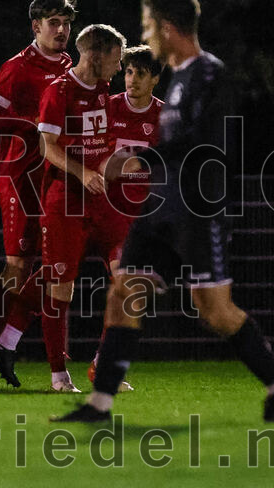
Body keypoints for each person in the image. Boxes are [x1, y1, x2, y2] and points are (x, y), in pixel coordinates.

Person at [55, 0, 274, 422]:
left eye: (150, 25)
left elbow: (203, 144)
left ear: (168, 28)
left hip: (197, 209)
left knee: (215, 312)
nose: (146, 34)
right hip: (159, 210)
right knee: (123, 291)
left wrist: (139, 159)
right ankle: (100, 403)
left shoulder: (210, 74)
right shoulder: (176, 78)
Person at [0, 25, 126, 392]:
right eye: (117, 60)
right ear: (98, 55)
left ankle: (104, 361)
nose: (119, 69)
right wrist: (85, 171)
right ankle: (43, 368)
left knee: (128, 276)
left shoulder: (103, 89)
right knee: (49, 280)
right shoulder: (58, 89)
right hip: (56, 196)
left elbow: (100, 139)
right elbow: (48, 147)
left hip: (100, 200)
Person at [0, 0, 77, 388]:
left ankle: (8, 343)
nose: (61, 30)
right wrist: (32, 126)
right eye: (54, 23)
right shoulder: (18, 67)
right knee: (17, 268)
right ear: (36, 26)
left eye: (66, 23)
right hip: (18, 177)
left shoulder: (70, 65)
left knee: (53, 267)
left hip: (53, 179)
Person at [86, 44, 165, 392]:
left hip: (130, 220)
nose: (131, 79)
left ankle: (103, 364)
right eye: (129, 71)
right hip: (90, 208)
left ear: (155, 80)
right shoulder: (108, 106)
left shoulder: (165, 117)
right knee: (50, 278)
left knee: (127, 288)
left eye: (141, 74)